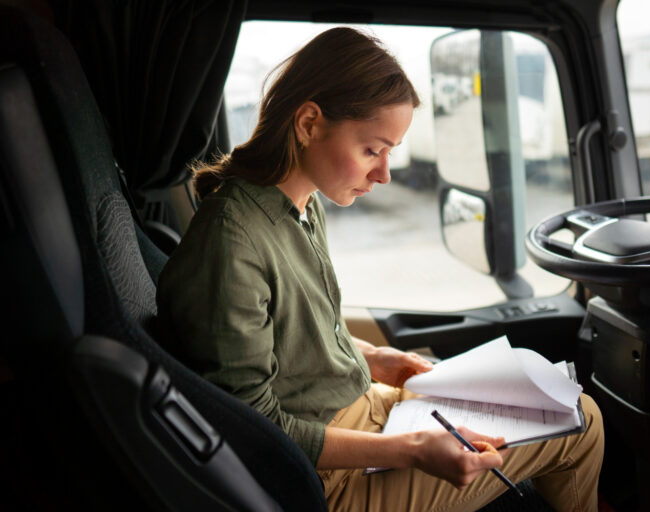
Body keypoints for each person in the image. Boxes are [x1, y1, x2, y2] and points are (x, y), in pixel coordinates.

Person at [156, 27, 604, 512]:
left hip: (361, 407)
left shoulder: (300, 204)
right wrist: (411, 450)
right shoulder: (232, 241)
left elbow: (300, 336)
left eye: (390, 152)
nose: (385, 174)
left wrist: (375, 358)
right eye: (372, 150)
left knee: (556, 404)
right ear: (308, 123)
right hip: (327, 475)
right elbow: (253, 426)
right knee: (581, 423)